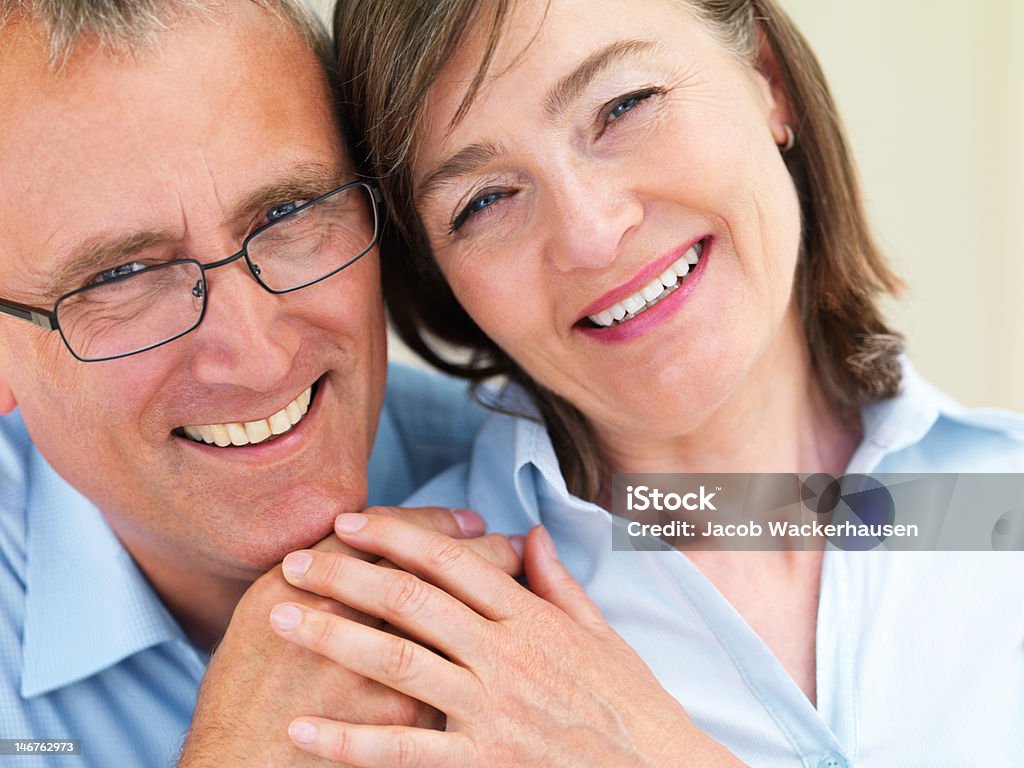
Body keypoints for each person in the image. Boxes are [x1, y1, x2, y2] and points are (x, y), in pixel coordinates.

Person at [261, 0, 1024, 765]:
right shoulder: (395, 641)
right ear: (437, 274)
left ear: (768, 79)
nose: (591, 236)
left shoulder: (1001, 501)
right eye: (484, 201)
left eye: (623, 106)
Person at [0, 1, 524, 766]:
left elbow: (765, 506)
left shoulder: (546, 460)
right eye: (124, 275)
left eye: (288, 212)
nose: (260, 357)